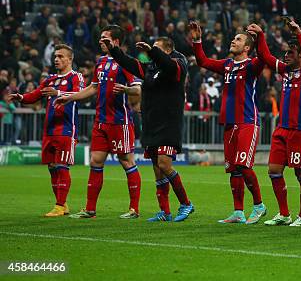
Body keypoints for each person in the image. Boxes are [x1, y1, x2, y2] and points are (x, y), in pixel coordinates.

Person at [102, 35, 194, 222]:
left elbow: (168, 65)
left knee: (164, 164)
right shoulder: (150, 69)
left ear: (167, 51)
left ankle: (186, 204)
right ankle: (165, 212)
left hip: (169, 124)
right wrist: (114, 49)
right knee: (156, 169)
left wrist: (152, 51)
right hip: (151, 123)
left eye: (157, 49)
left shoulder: (177, 65)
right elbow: (129, 63)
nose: (152, 53)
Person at [57, 25, 142, 219]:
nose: (100, 41)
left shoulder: (127, 63)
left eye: (105, 39)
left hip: (120, 122)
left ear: (116, 42)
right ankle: (90, 209)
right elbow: (93, 88)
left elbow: (137, 90)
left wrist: (126, 90)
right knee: (96, 161)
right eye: (101, 38)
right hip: (101, 121)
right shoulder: (101, 62)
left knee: (126, 161)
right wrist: (69, 97)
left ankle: (134, 209)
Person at [190, 21, 267, 225]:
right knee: (233, 169)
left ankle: (259, 206)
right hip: (229, 124)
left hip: (247, 122)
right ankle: (238, 212)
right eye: (233, 38)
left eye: (238, 39)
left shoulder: (252, 65)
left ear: (247, 47)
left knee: (244, 165)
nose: (234, 40)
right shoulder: (227, 65)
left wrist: (261, 36)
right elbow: (203, 61)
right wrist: (197, 40)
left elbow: (265, 57)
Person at [247, 20, 301, 227]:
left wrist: (299, 32)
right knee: (274, 170)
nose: (286, 56)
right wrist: (260, 35)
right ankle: (284, 213)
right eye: (286, 52)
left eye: (291, 53)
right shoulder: (286, 70)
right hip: (282, 130)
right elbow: (266, 57)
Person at [8, 44, 84, 217]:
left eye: (61, 56)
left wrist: (57, 92)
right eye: (55, 56)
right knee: (52, 167)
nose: (56, 59)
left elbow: (79, 93)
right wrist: (21, 97)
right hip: (49, 130)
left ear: (70, 59)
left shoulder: (76, 77)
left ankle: (59, 205)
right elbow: (35, 95)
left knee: (62, 166)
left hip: (65, 129)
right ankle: (62, 205)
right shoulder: (50, 79)